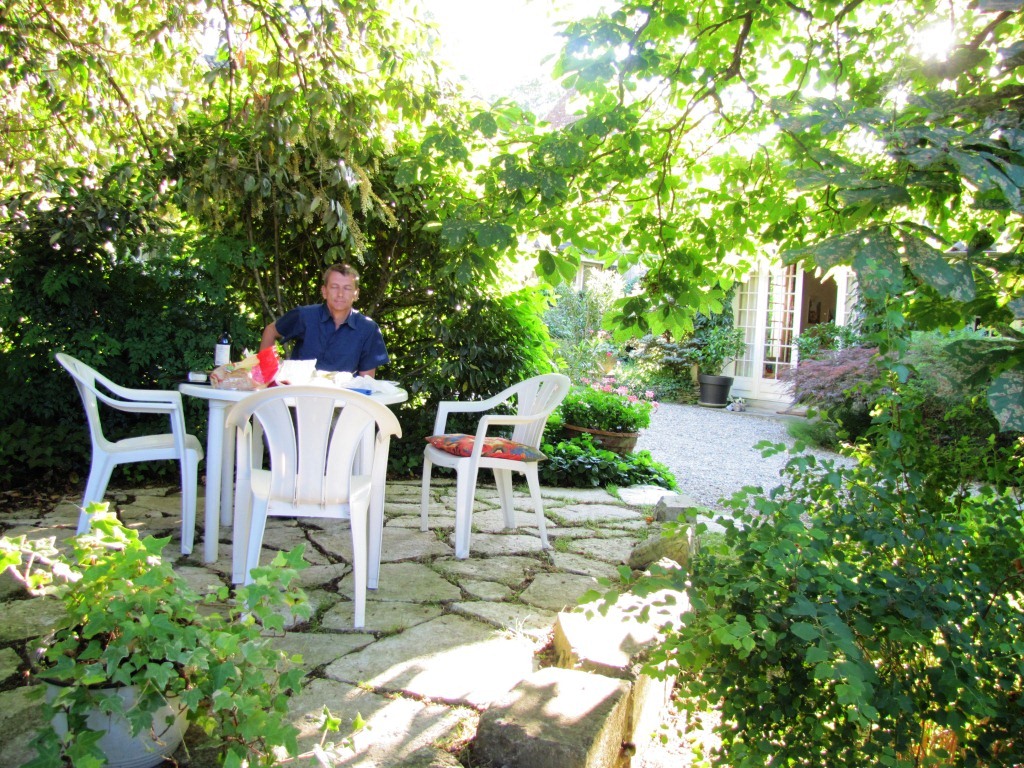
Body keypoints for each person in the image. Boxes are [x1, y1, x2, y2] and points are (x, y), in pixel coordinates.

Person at [260, 263, 389, 377]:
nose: (340, 294)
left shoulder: (367, 328)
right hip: (300, 393)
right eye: (334, 287)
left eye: (347, 288)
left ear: (356, 294)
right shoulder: (305, 315)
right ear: (324, 291)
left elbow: (366, 382)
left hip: (343, 395)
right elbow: (271, 331)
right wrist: (267, 375)